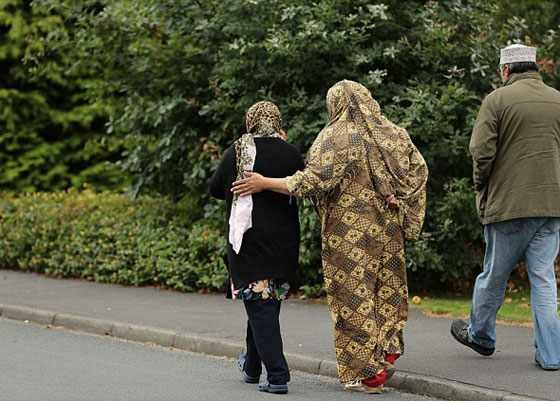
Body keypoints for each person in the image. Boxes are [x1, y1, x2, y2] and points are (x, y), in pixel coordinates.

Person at [232, 80, 428, 393]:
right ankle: (389, 351)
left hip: (347, 234)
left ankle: (369, 372)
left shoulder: (335, 137)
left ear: (334, 104)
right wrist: (401, 200)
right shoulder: (392, 133)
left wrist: (264, 182)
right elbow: (418, 171)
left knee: (354, 295)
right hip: (388, 228)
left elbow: (311, 182)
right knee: (386, 287)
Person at [450, 44, 560, 371]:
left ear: (506, 71)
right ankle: (552, 355)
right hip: (552, 206)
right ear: (535, 67)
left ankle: (481, 336)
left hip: (509, 205)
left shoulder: (496, 100)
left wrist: (481, 185)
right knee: (543, 281)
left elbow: (481, 152)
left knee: (494, 275)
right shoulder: (557, 99)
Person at [209, 101, 304, 394]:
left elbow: (215, 188)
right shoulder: (291, 153)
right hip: (283, 241)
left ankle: (278, 375)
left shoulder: (239, 151)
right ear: (278, 121)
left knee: (260, 305)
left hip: (249, 242)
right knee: (264, 302)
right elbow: (303, 184)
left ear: (250, 121)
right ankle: (251, 366)